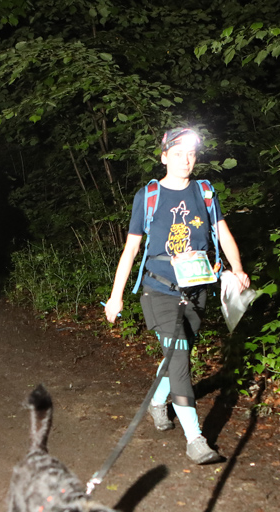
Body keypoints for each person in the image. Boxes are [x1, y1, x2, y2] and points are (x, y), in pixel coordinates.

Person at [104, 128, 250, 464]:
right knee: (181, 358)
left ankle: (158, 402)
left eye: (191, 154)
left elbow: (222, 233)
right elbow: (131, 249)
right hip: (158, 289)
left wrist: (238, 268)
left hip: (197, 289)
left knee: (177, 354)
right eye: (178, 153)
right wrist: (116, 296)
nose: (186, 160)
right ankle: (195, 439)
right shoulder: (148, 196)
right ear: (164, 157)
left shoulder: (205, 192)